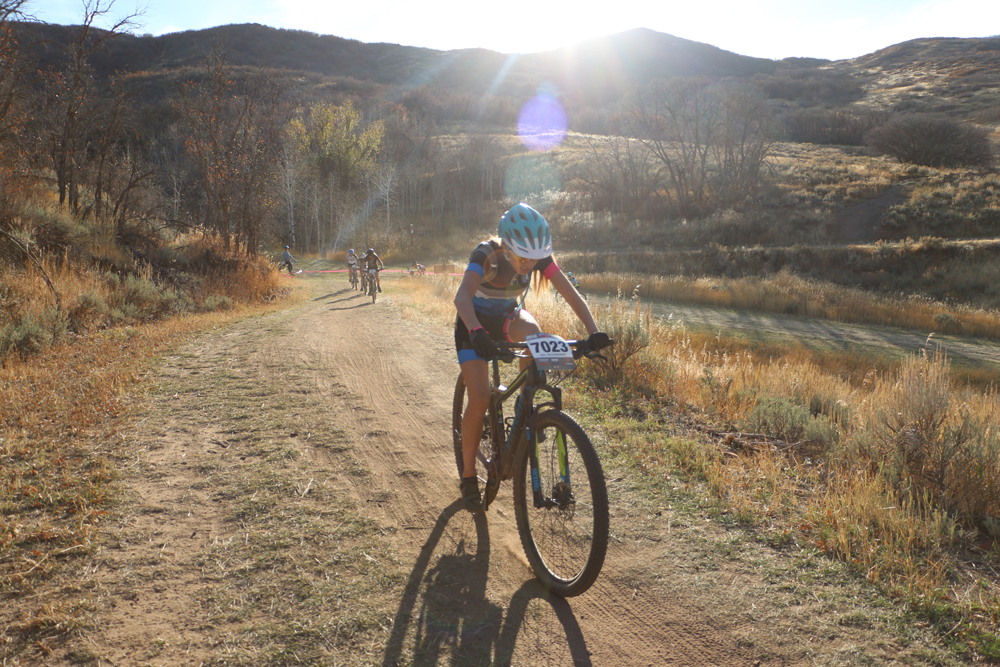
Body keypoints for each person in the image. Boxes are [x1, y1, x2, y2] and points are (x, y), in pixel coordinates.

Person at [453, 203, 610, 512]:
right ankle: (469, 476)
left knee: (535, 332)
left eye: (534, 258)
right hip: (472, 324)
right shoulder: (487, 255)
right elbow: (462, 298)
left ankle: (526, 407)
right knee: (481, 397)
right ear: (507, 246)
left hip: (507, 318)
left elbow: (570, 294)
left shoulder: (537, 257)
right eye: (523, 257)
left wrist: (594, 333)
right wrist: (476, 332)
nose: (528, 264)